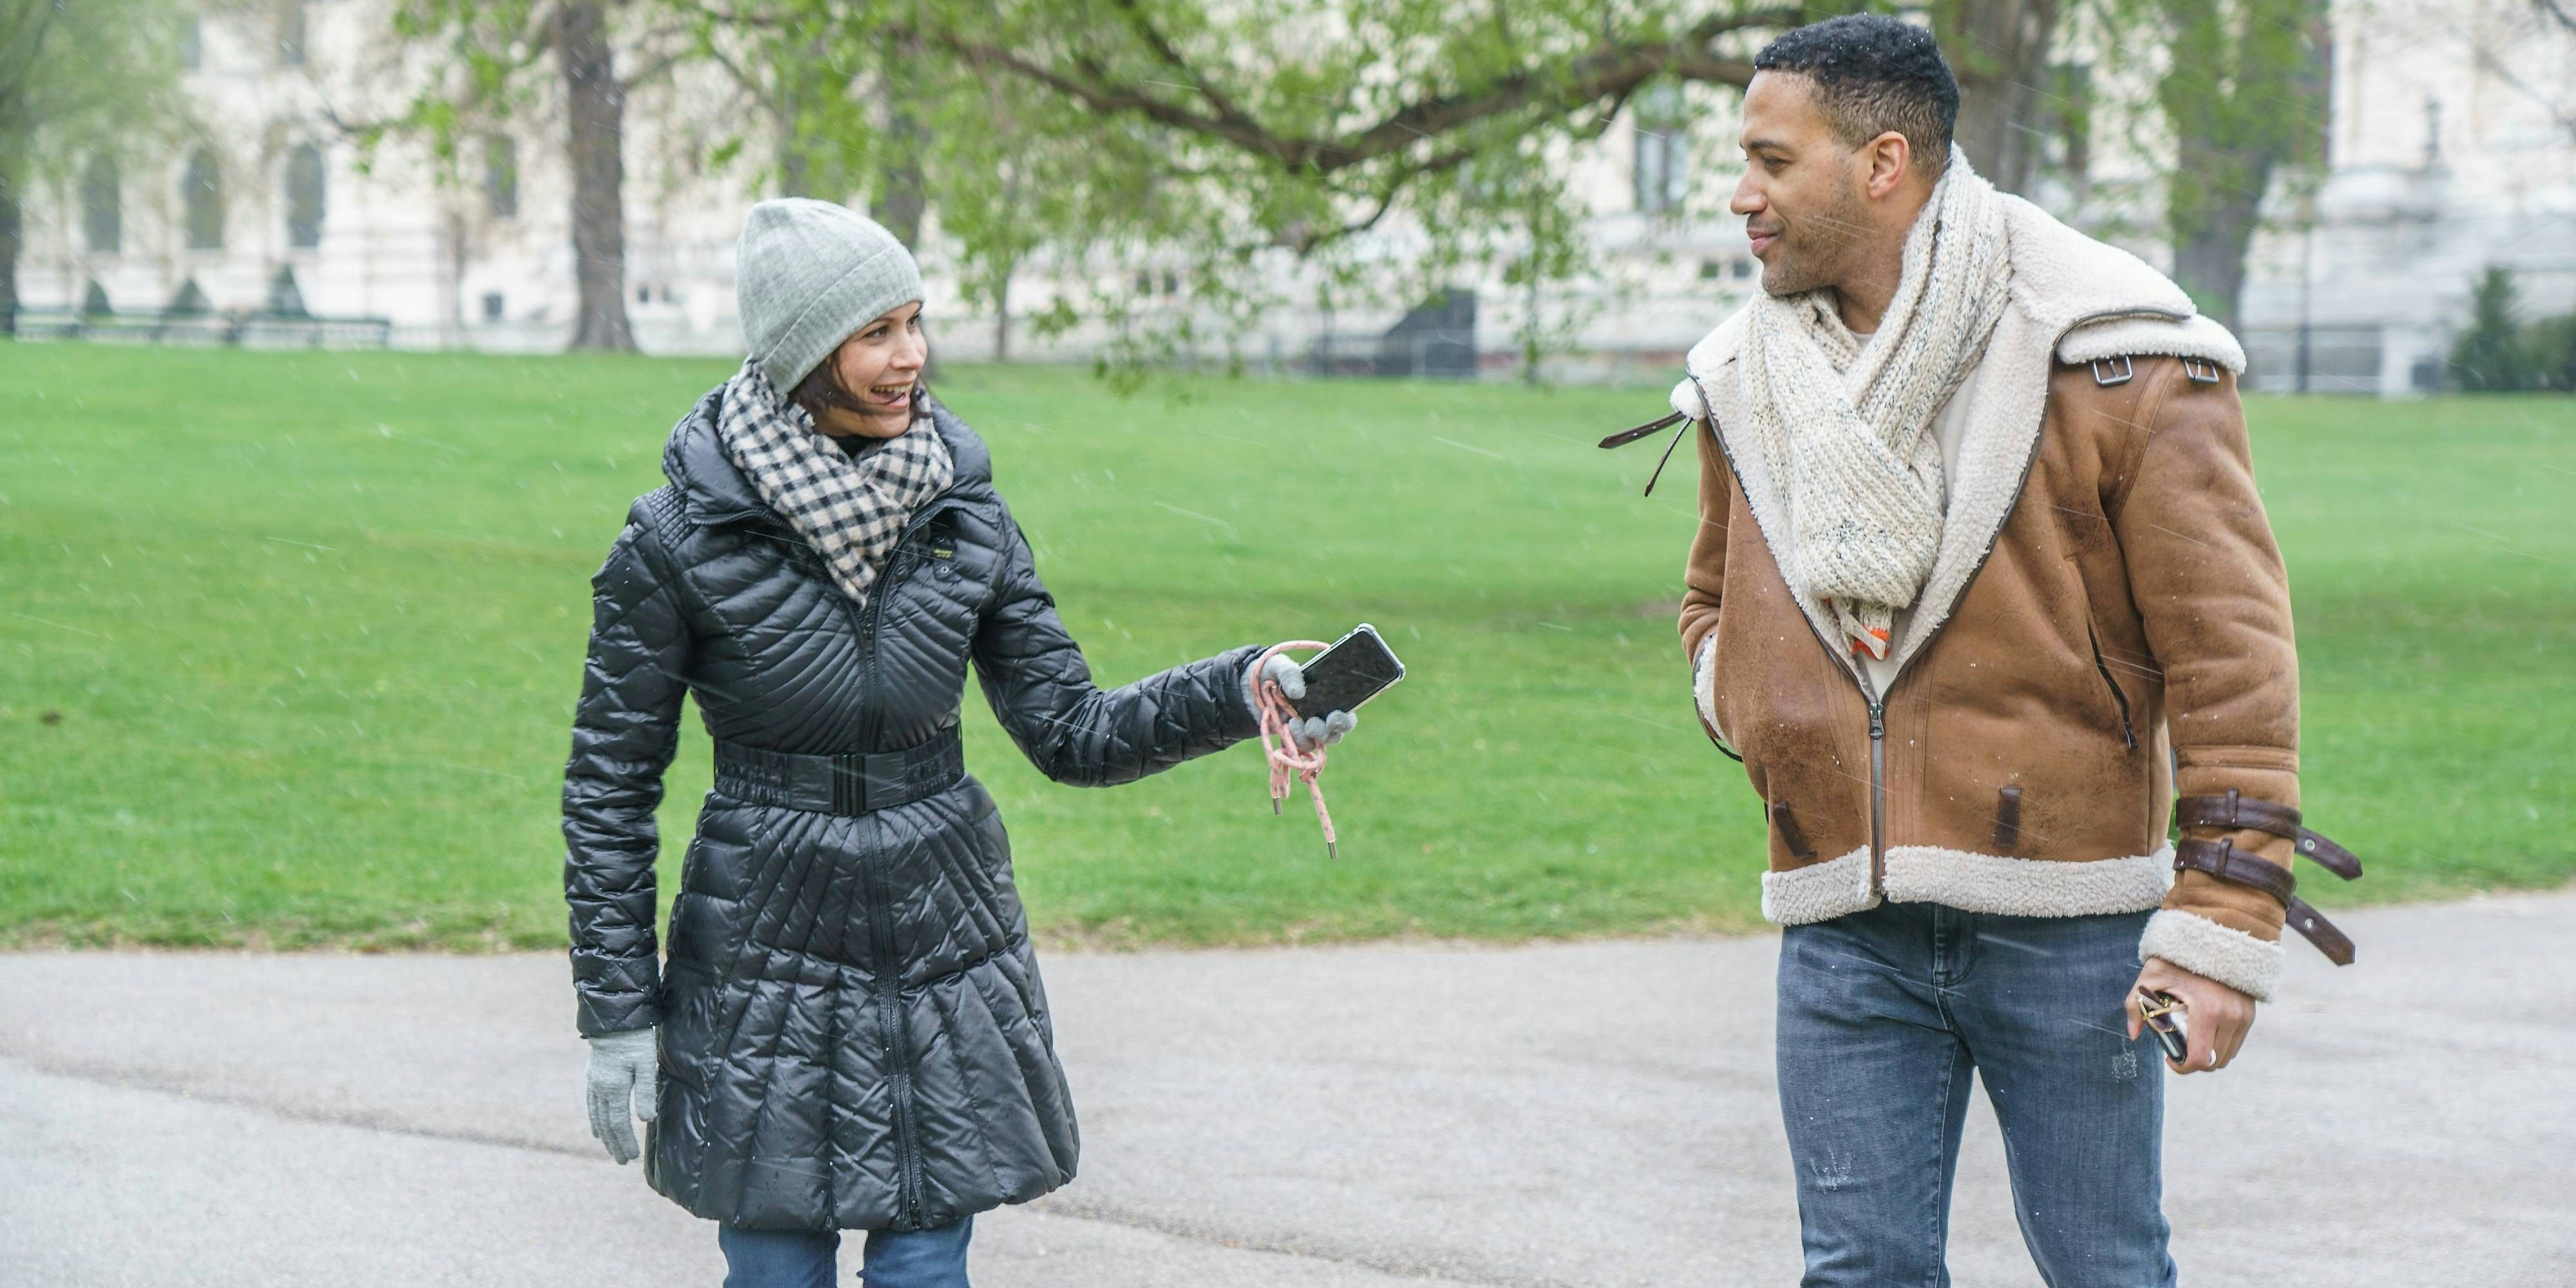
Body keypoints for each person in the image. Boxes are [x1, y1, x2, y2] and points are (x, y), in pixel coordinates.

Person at [561, 198, 1356, 1288]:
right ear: (805, 352)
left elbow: (1074, 730)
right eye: (878, 332)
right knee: (775, 1266)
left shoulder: (965, 514)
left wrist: (1243, 687)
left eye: (916, 322)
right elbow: (609, 789)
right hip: (762, 944)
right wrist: (616, 1011)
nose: (912, 357)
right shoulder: (675, 540)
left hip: (940, 934)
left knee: (925, 1267)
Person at [1667, 15, 2325, 1286]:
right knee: (1856, 1274)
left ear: (1880, 164)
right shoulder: (1745, 374)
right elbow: (1709, 595)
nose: (1740, 196)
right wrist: (1749, 698)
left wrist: (2222, 921)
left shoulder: (2117, 351)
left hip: (2070, 931)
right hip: (1841, 925)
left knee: (2105, 1269)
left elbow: (2233, 661)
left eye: (1769, 159)